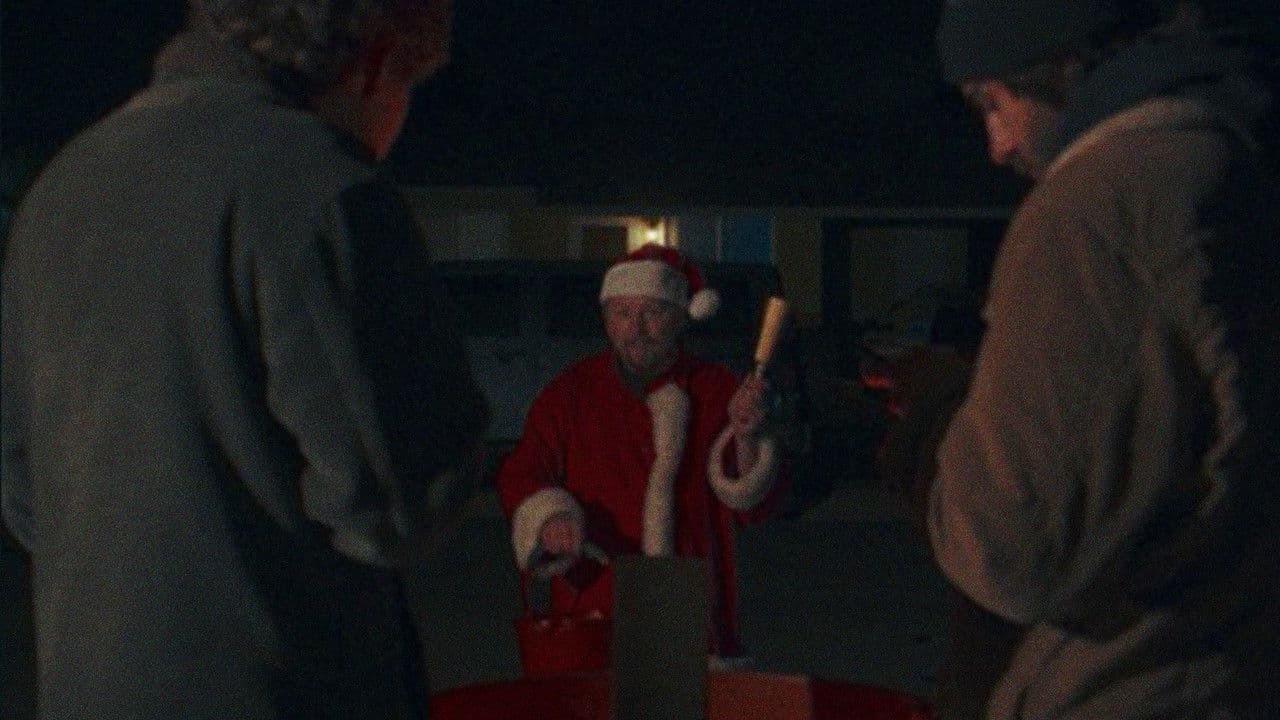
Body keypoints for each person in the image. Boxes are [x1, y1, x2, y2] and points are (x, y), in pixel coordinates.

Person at [1, 0, 488, 717]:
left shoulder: (62, 189)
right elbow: (399, 498)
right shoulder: (312, 182)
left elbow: (23, 487)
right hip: (279, 692)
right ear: (375, 62)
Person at [928, 1, 1280, 718]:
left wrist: (931, 425)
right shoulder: (1234, 165)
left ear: (1060, 65)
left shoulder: (1104, 204)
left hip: (1151, 686)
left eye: (993, 104)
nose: (997, 145)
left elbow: (1011, 548)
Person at [495, 244, 787, 665]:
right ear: (606, 320)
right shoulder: (571, 392)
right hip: (596, 594)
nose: (636, 329)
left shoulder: (718, 388)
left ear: (680, 318)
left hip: (689, 592)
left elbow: (753, 504)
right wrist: (550, 519)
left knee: (684, 692)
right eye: (622, 313)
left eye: (653, 313)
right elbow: (524, 470)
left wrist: (747, 435)